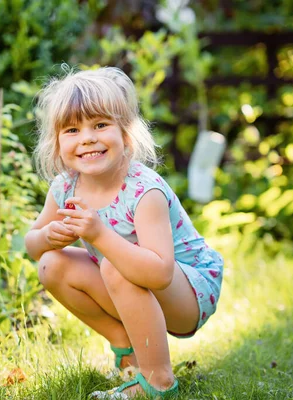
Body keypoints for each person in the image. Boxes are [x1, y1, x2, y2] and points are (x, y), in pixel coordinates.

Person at [24, 66, 224, 399]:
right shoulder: (65, 186)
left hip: (188, 292)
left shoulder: (144, 192)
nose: (87, 138)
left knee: (114, 264)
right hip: (134, 284)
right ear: (56, 142)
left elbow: (160, 272)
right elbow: (32, 245)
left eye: (100, 125)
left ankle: (158, 380)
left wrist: (99, 234)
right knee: (51, 264)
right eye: (72, 130)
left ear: (125, 133)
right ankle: (126, 346)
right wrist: (50, 237)